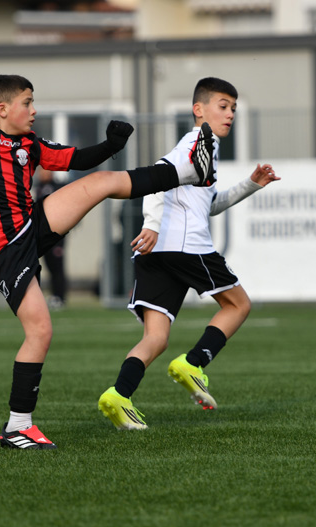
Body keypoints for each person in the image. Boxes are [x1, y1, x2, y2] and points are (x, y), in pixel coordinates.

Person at [0, 74, 216, 449]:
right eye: (28, 103)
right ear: (2, 109)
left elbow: (76, 158)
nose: (34, 110)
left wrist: (110, 145)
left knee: (100, 182)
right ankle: (17, 427)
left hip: (31, 224)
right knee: (40, 331)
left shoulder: (30, 143)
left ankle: (188, 172)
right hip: (3, 250)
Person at [97, 77, 281, 430]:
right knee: (238, 305)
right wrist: (151, 223)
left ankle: (119, 395)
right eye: (222, 106)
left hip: (157, 252)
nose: (230, 114)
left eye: (233, 108)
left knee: (156, 338)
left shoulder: (206, 149)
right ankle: (194, 363)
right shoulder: (198, 140)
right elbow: (155, 178)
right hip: (184, 245)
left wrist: (250, 185)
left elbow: (208, 205)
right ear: (199, 109)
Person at [32, 168, 67, 309]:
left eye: (45, 171)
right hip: (43, 233)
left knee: (57, 266)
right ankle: (53, 295)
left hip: (56, 235)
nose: (43, 174)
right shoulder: (38, 187)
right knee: (48, 266)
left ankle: (60, 297)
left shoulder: (58, 187)